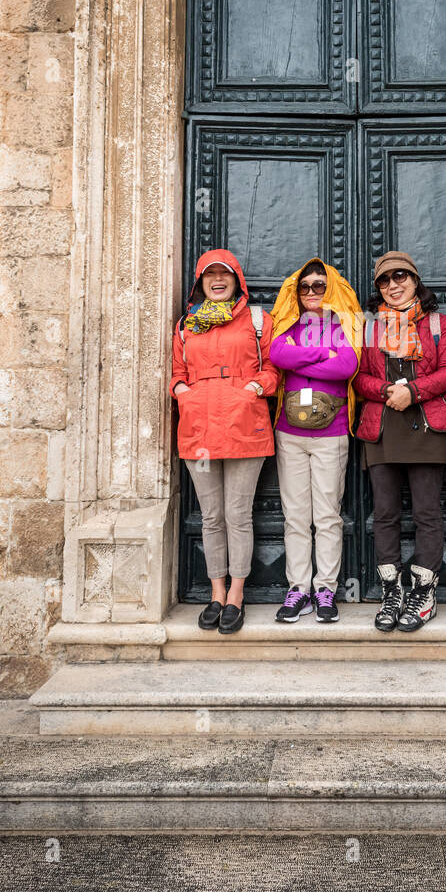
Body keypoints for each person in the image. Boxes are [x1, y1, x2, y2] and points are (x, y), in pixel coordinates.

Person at [169, 248, 278, 635]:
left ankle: (236, 593)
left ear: (236, 280)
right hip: (198, 431)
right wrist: (181, 389)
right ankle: (215, 593)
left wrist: (254, 387)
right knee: (211, 517)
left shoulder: (256, 319)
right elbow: (176, 370)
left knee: (237, 515)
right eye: (209, 274)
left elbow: (274, 368)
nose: (217, 279)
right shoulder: (187, 324)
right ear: (200, 281)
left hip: (245, 427)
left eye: (225, 274)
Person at [354, 251, 446, 632]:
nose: (393, 286)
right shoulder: (368, 328)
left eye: (400, 277)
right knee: (384, 513)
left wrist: (413, 392)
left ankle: (423, 593)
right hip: (383, 427)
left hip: (428, 427)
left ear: (415, 281)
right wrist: (385, 390)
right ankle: (391, 592)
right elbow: (359, 377)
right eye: (384, 281)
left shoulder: (437, 324)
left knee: (427, 513)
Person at [269, 258, 361, 624]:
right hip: (289, 433)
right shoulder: (287, 322)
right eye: (304, 286)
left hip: (332, 433)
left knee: (326, 516)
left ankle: (326, 589)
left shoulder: (345, 324)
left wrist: (300, 361)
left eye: (319, 286)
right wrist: (323, 354)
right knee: (294, 517)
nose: (310, 292)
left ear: (331, 288)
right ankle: (298, 589)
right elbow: (278, 354)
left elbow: (347, 366)